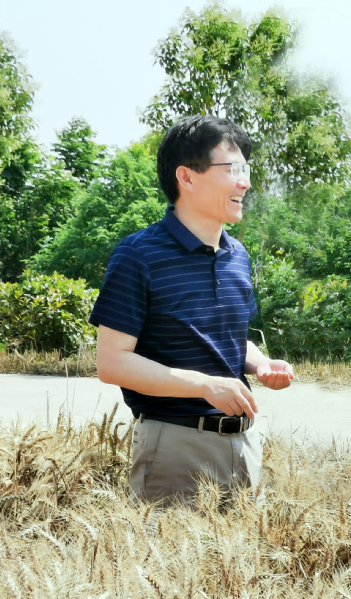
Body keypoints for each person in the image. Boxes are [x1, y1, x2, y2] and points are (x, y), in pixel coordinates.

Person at [90, 115, 293, 503]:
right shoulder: (138, 254)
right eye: (232, 169)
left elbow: (226, 339)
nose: (245, 182)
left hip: (245, 443)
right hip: (175, 444)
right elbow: (112, 363)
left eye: (246, 170)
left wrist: (261, 364)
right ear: (186, 176)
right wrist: (203, 385)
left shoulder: (238, 256)